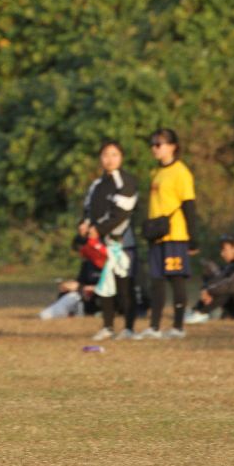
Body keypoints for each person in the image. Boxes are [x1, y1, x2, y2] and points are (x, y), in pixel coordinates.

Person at [136, 128, 199, 340]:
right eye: (152, 144)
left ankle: (178, 327)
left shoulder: (181, 172)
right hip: (158, 235)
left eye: (159, 144)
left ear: (173, 146)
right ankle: (154, 327)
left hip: (175, 235)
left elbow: (189, 206)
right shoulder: (156, 172)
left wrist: (192, 237)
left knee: (176, 279)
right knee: (157, 281)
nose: (154, 148)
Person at [84, 141, 139, 341]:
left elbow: (121, 213)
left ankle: (129, 328)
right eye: (106, 155)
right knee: (105, 286)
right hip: (102, 245)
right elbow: (88, 210)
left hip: (122, 243)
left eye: (114, 154)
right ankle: (108, 327)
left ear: (121, 157)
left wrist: (98, 229)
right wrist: (84, 224)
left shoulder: (126, 181)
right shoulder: (97, 185)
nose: (110, 159)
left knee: (125, 287)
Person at [186, 234, 234, 322]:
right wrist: (206, 286)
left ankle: (201, 312)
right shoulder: (230, 266)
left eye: (225, 250)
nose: (222, 254)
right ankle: (197, 311)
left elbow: (228, 284)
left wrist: (209, 291)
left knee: (223, 288)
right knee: (212, 282)